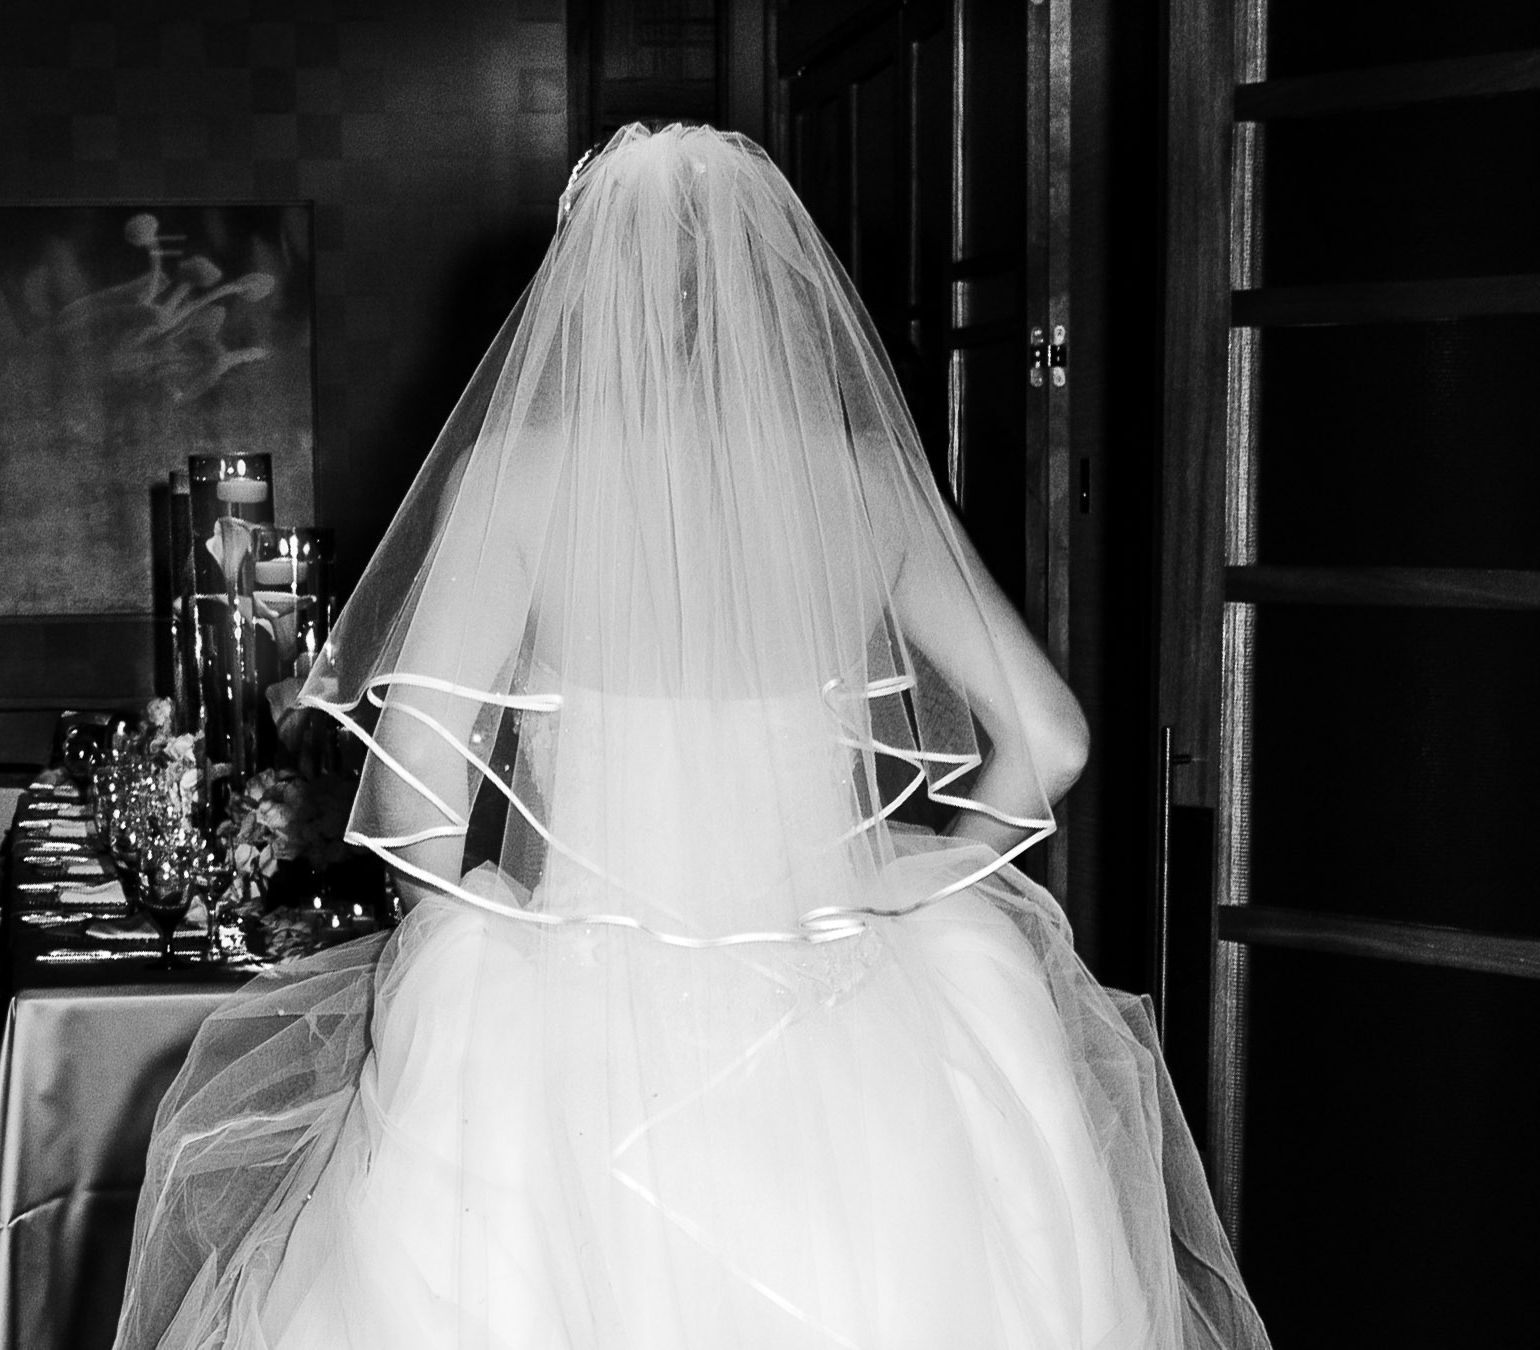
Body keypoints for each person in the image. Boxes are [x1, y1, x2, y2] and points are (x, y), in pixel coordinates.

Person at [112, 123, 1272, 1350]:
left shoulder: (517, 478)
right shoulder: (861, 482)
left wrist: (475, 960)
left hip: (567, 1024)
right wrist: (908, 880)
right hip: (855, 1018)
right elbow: (1051, 738)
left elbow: (413, 806)